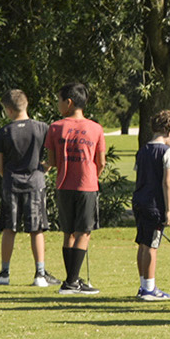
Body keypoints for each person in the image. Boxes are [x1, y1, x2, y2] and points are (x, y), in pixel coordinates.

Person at [45, 82, 107, 294]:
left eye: (59, 100)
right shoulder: (96, 128)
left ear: (69, 102)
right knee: (84, 232)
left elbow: (52, 161)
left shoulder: (55, 127)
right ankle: (71, 282)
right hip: (87, 186)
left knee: (68, 233)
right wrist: (92, 177)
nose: (58, 104)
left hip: (63, 185)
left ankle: (72, 279)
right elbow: (101, 162)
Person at [0, 89, 53, 288]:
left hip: (11, 183)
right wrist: (44, 168)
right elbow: (52, 156)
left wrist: (8, 176)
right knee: (36, 229)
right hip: (35, 182)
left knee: (9, 228)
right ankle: (40, 273)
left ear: (9, 110)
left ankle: (4, 273)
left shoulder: (4, 132)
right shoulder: (41, 128)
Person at [131, 110, 170, 302]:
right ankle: (149, 289)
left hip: (139, 201)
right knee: (152, 246)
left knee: (143, 244)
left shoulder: (142, 150)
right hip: (155, 205)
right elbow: (167, 182)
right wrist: (168, 210)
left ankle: (143, 284)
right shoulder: (167, 151)